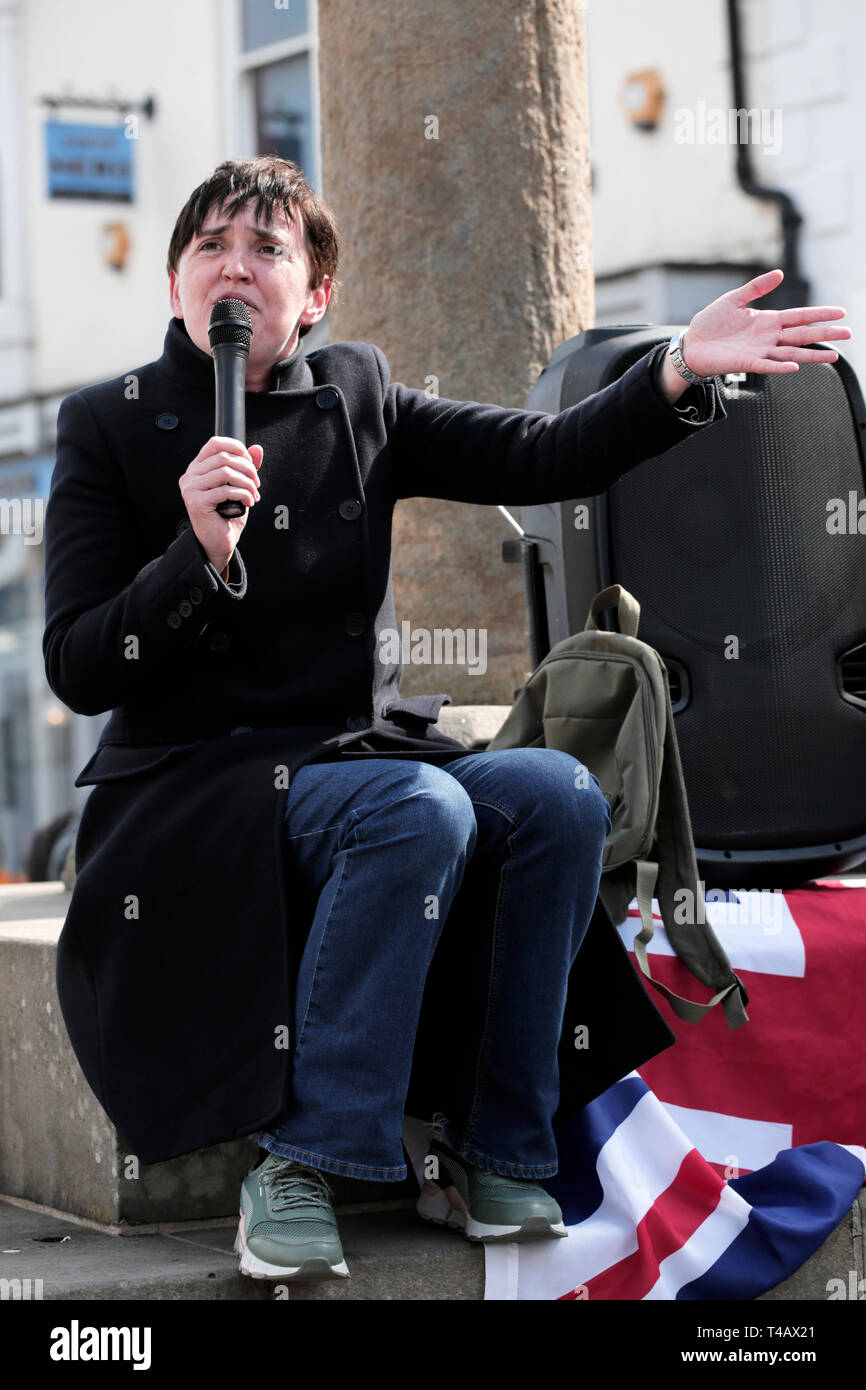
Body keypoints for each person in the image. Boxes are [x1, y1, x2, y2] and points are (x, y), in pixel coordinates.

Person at [43, 156, 851, 1286]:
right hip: (193, 791)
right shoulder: (105, 426)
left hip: (345, 758)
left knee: (553, 794)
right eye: (212, 245)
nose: (236, 265)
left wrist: (673, 368)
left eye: (267, 249)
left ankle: (495, 1144)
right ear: (175, 280)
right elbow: (79, 665)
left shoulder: (360, 393)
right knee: (414, 806)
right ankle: (306, 1160)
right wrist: (196, 555)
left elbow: (540, 452)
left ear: (313, 293)